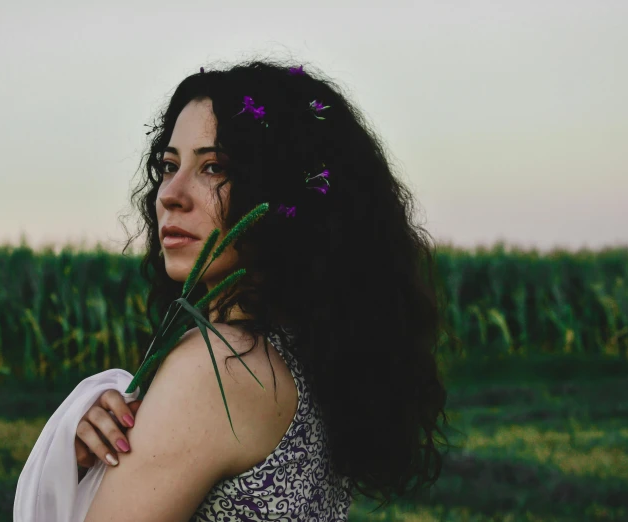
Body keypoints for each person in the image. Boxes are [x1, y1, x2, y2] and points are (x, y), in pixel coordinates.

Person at [74, 59, 454, 521]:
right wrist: (81, 457)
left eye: (214, 167)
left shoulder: (218, 365)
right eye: (169, 164)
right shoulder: (316, 354)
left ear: (282, 194)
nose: (171, 193)